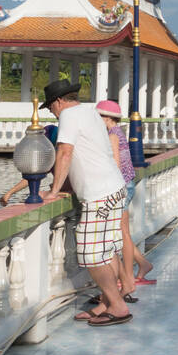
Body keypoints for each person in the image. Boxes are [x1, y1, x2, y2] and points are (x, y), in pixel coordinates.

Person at [40, 79, 132, 326]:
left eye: (50, 108)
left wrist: (53, 191)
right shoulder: (90, 112)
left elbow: (65, 152)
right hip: (114, 188)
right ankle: (107, 303)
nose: (52, 112)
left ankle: (119, 306)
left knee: (91, 255)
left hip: (99, 193)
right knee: (106, 251)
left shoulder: (69, 116)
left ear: (59, 101)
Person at [97, 100, 155, 293]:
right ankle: (141, 265)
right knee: (123, 232)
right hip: (126, 184)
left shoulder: (113, 135)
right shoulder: (118, 133)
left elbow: (116, 165)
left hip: (121, 186)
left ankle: (128, 276)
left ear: (106, 118)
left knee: (122, 234)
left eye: (99, 117)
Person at [0, 124, 67, 205]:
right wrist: (9, 193)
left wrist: (55, 188)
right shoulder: (50, 158)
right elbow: (32, 177)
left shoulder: (62, 155)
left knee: (39, 194)